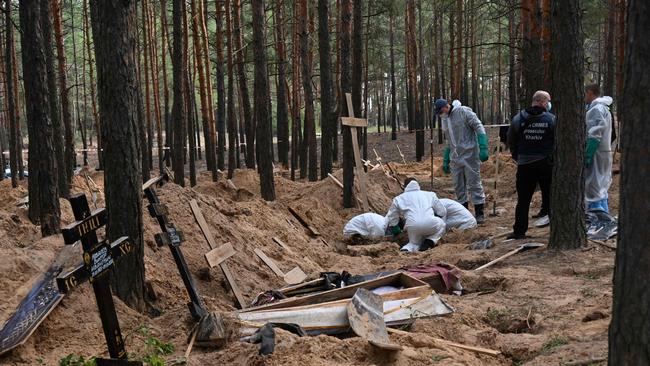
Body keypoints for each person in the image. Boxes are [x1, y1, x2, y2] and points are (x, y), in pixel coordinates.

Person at [506, 90, 556, 239]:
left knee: (523, 200)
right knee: (550, 196)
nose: (549, 104)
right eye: (548, 101)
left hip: (524, 165)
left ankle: (519, 231)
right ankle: (554, 231)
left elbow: (511, 140)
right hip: (546, 164)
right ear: (541, 102)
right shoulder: (552, 119)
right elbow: (556, 140)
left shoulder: (518, 118)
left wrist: (518, 157)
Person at [434, 99, 489, 224]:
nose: (440, 114)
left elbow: (478, 127)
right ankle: (464, 212)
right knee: (458, 185)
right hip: (455, 156)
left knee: (474, 182)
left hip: (470, 153)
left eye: (441, 111)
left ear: (446, 106)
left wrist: (483, 146)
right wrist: (446, 158)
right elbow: (449, 140)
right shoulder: (445, 119)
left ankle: (479, 212)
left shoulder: (463, 112)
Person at [386, 178, 447, 252]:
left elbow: (392, 216)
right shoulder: (430, 194)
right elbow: (442, 212)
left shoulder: (398, 198)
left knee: (413, 243)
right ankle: (429, 242)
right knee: (442, 224)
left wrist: (395, 228)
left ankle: (406, 249)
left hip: (412, 225)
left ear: (404, 187)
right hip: (430, 223)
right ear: (418, 185)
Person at [584, 83, 614, 213]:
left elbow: (595, 134)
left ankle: (598, 219)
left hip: (597, 153)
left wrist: (588, 154)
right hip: (604, 152)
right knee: (601, 186)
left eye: (585, 93)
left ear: (590, 92)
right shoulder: (604, 108)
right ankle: (604, 215)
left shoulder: (596, 109)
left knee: (593, 187)